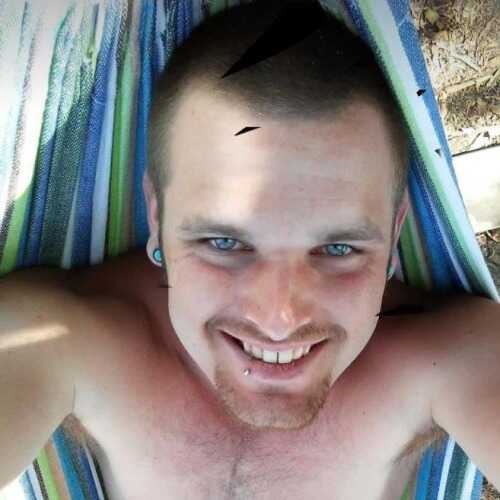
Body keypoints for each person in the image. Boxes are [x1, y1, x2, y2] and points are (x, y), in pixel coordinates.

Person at [2, 1, 499, 499]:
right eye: (224, 243)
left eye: (338, 248)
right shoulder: (57, 339)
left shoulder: (448, 359)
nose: (279, 320)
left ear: (394, 233)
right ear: (156, 216)